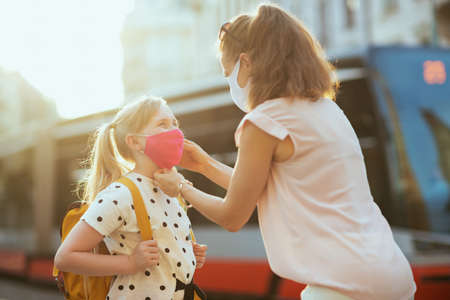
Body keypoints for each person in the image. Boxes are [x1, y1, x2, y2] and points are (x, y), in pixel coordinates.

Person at [153, 4, 416, 300]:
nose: (231, 83)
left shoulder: (263, 122)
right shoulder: (327, 109)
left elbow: (233, 215)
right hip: (391, 273)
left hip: (343, 285)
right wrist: (204, 165)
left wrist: (181, 187)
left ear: (246, 62)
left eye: (229, 73)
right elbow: (265, 187)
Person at [54, 96, 207, 300]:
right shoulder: (120, 194)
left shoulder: (172, 189)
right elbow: (65, 257)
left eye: (175, 123)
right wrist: (131, 264)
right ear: (134, 141)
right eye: (162, 124)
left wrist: (188, 254)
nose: (175, 131)